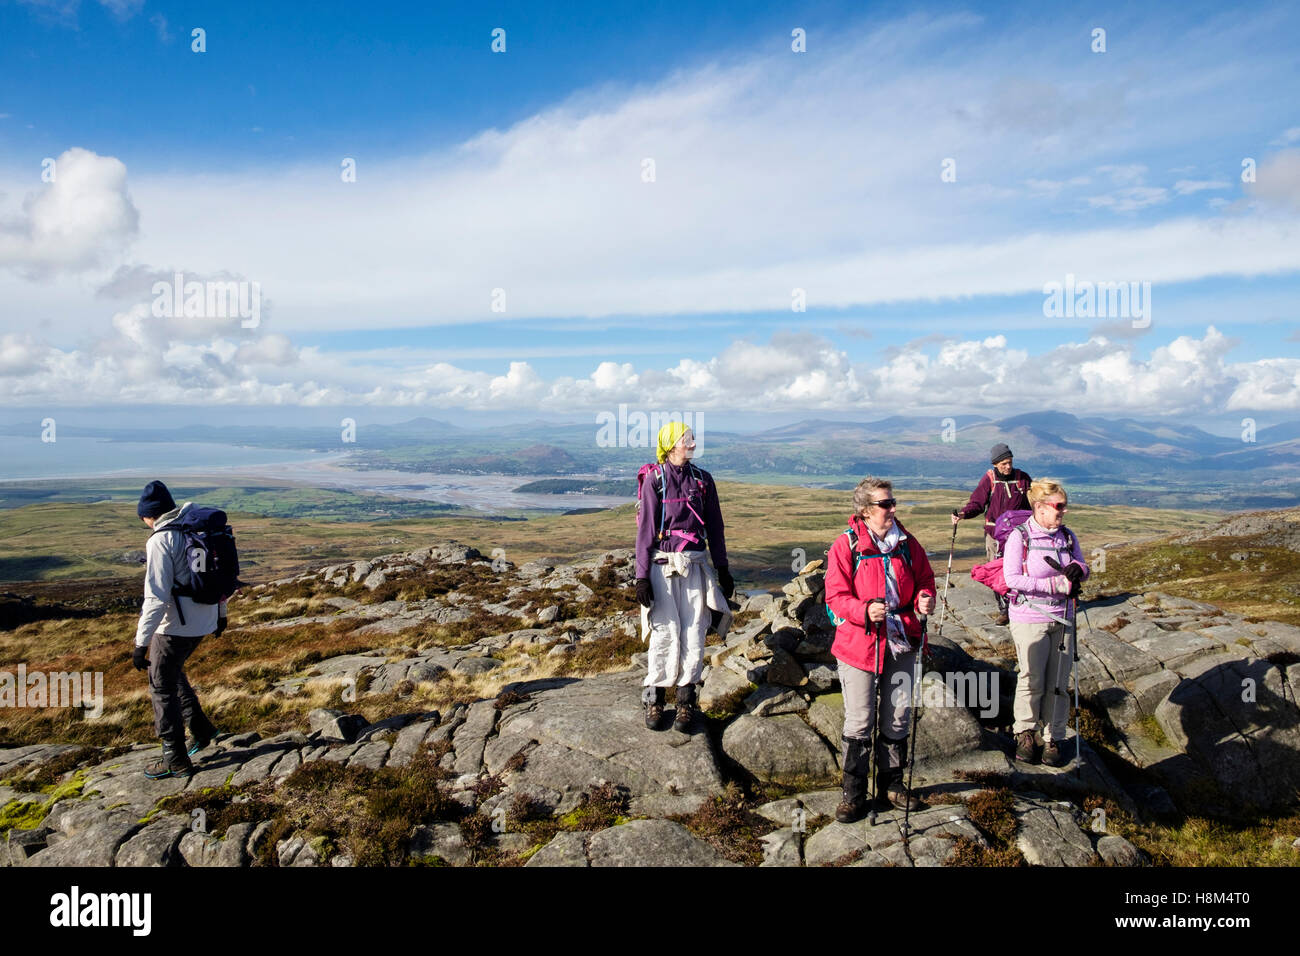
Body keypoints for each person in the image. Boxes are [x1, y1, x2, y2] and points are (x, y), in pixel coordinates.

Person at [824, 477, 936, 823]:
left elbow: (924, 580)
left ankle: (892, 786)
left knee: (898, 715)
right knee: (859, 719)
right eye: (885, 504)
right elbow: (834, 598)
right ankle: (853, 795)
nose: (892, 509)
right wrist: (863, 611)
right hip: (860, 643)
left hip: (901, 640)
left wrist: (923, 599)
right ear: (865, 510)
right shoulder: (846, 546)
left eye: (893, 502)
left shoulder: (907, 543)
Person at [634, 423, 733, 733]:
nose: (691, 443)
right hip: (662, 566)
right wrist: (641, 577)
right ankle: (655, 699)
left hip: (696, 565)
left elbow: (715, 527)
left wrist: (723, 568)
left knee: (694, 631)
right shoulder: (656, 481)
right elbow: (646, 532)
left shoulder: (703, 481)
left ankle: (686, 701)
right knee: (664, 632)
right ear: (670, 445)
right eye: (685, 439)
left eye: (692, 438)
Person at [133, 480, 224, 779]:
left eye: (143, 517)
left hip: (175, 626)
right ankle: (201, 729)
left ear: (150, 514)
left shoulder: (160, 540)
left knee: (160, 685)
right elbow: (219, 579)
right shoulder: (196, 530)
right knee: (173, 672)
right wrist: (220, 615)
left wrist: (140, 643)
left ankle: (174, 758)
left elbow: (156, 597)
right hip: (205, 620)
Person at [1001, 479, 1088, 767]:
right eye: (1058, 506)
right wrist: (1055, 586)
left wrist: (1080, 569)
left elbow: (1083, 568)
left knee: (1059, 682)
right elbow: (1011, 579)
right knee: (1031, 678)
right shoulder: (1020, 537)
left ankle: (1053, 737)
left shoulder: (1068, 537)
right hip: (1030, 618)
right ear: (1039, 507)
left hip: (1063, 617)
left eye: (1065, 506)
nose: (1063, 512)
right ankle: (1025, 732)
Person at [952, 442, 1032, 625]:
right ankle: (1004, 610)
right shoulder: (989, 479)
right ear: (995, 464)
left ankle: (1021, 606)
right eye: (1004, 463)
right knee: (998, 570)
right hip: (994, 535)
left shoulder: (1023, 478)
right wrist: (963, 514)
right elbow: (978, 504)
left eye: (1010, 462)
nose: (1008, 466)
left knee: (1021, 569)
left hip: (1020, 534)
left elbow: (1033, 503)